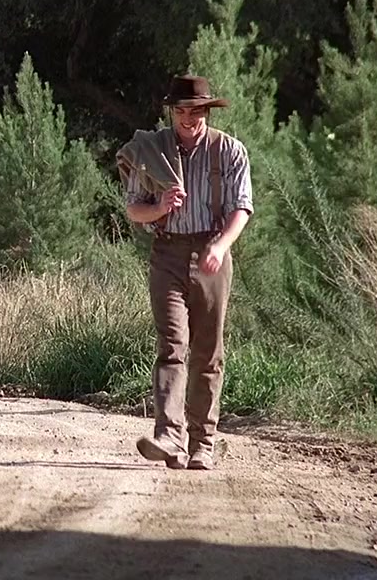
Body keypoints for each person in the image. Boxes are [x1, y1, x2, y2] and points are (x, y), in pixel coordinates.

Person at [115, 75, 253, 470]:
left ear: (208, 111)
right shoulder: (151, 150)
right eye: (181, 111)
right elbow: (133, 209)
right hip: (168, 254)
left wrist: (220, 246)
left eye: (196, 111)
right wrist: (160, 206)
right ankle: (169, 437)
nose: (188, 119)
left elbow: (242, 208)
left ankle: (202, 443)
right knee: (172, 346)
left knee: (208, 352)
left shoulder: (229, 151)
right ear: (171, 112)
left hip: (213, 251)